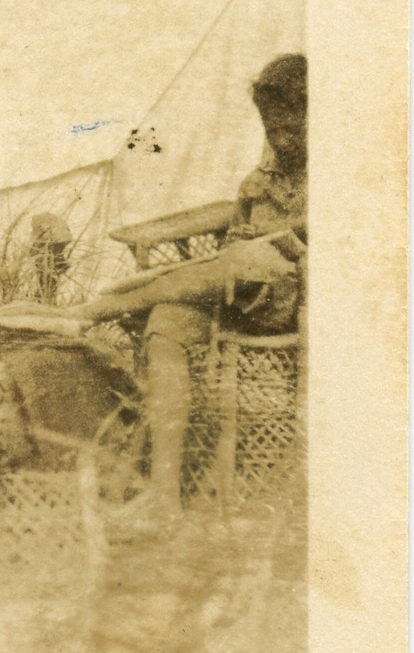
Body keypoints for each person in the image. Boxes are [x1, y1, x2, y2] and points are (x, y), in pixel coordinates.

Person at [78, 53, 307, 507]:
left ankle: (104, 306)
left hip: (297, 301)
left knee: (245, 263)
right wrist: (242, 252)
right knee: (166, 322)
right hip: (239, 295)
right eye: (271, 129)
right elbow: (237, 239)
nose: (279, 140)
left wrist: (257, 254)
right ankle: (165, 494)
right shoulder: (258, 182)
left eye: (291, 129)